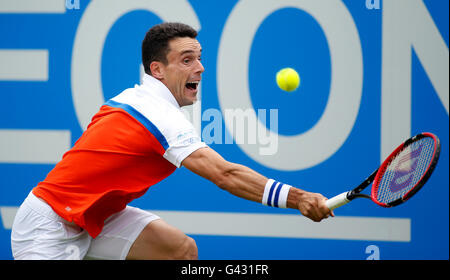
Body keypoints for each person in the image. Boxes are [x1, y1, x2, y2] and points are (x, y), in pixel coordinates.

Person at [11, 22, 333, 260]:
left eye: (199, 58)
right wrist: (299, 198)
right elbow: (224, 175)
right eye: (187, 59)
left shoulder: (141, 100)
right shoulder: (156, 114)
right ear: (158, 70)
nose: (200, 68)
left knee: (180, 251)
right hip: (50, 224)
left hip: (98, 216)